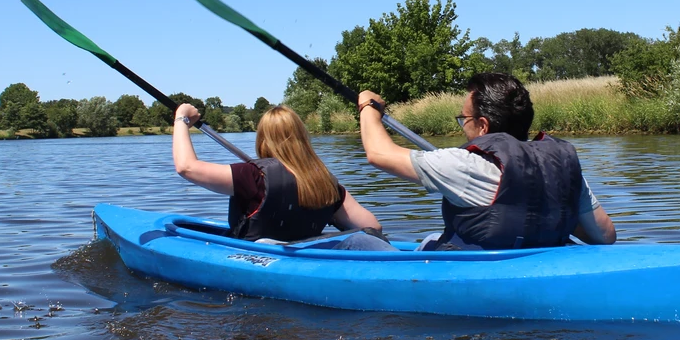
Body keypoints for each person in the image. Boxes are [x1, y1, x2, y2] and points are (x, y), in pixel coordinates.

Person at [357, 72, 617, 250]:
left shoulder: (465, 165)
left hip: (476, 274)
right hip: (543, 268)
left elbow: (379, 154)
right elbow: (605, 235)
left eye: (464, 119)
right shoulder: (561, 163)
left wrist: (367, 106)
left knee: (403, 241)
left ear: (482, 126)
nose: (462, 125)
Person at [171, 103, 388, 248]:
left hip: (258, 259)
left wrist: (181, 119)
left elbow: (186, 167)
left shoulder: (253, 176)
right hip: (306, 257)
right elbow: (372, 227)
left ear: (263, 140)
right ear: (303, 137)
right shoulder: (326, 182)